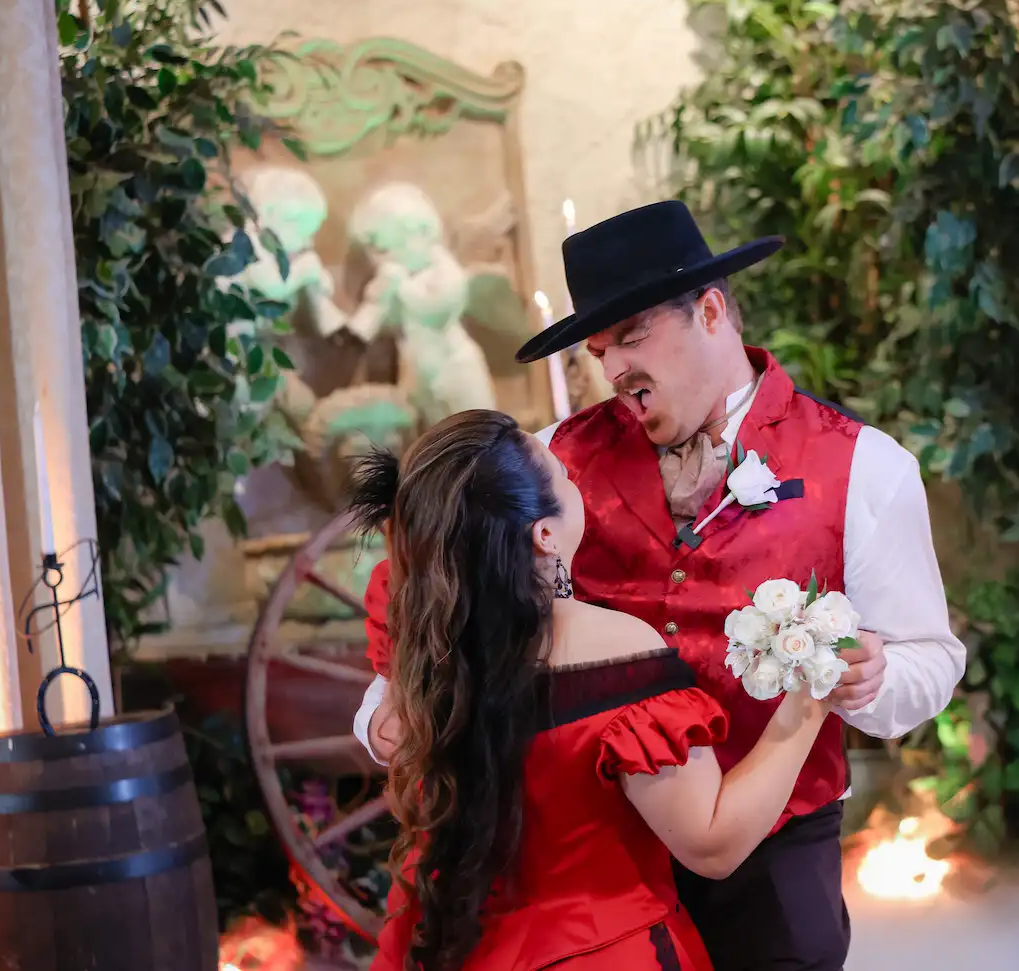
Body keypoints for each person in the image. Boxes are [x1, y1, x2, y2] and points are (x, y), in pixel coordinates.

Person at [353, 199, 966, 971]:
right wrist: (389, 707)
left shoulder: (866, 465)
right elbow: (437, 590)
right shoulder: (548, 461)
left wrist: (873, 677)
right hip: (596, 870)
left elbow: (930, 658)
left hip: (773, 859)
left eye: (632, 336)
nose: (611, 369)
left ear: (710, 311)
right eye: (599, 349)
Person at [353, 410, 832, 971]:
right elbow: (711, 843)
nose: (573, 480)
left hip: (464, 946)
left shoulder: (422, 631)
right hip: (601, 950)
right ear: (544, 534)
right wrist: (813, 695)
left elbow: (390, 731)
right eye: (562, 473)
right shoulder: (616, 647)